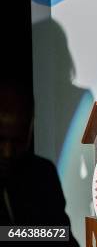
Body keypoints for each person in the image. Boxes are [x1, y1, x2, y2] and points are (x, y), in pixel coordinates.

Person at [0, 81, 78, 245]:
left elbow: (62, 236)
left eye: (19, 141)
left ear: (30, 128)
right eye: (1, 140)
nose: (8, 152)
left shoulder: (43, 174)